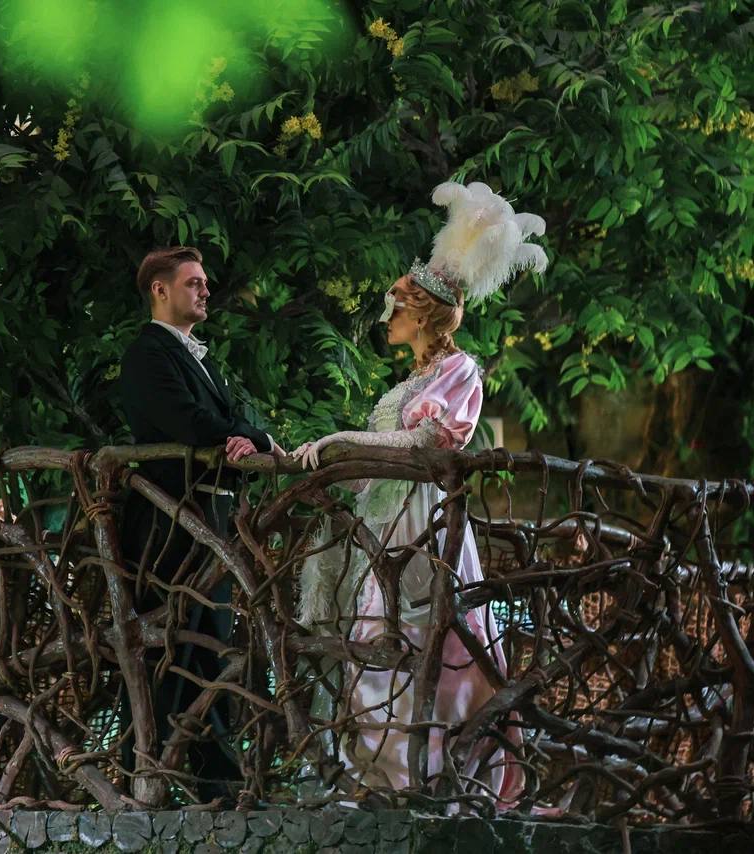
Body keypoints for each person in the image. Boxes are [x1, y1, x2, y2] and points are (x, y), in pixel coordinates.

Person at [292, 181, 547, 806]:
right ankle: (381, 773)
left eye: (398, 309)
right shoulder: (409, 380)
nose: (389, 320)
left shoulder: (459, 370)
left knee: (428, 629)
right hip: (384, 516)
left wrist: (342, 440)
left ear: (424, 315)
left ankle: (433, 771)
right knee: (376, 632)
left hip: (421, 518)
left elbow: (427, 442)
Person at [117, 245, 282, 803]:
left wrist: (245, 438)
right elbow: (190, 422)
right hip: (167, 521)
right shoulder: (148, 354)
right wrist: (249, 437)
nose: (206, 290)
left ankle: (217, 783)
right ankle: (143, 774)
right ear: (159, 290)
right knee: (168, 647)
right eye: (194, 282)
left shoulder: (198, 357)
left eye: (205, 282)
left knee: (209, 644)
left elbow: (228, 420)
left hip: (209, 517)